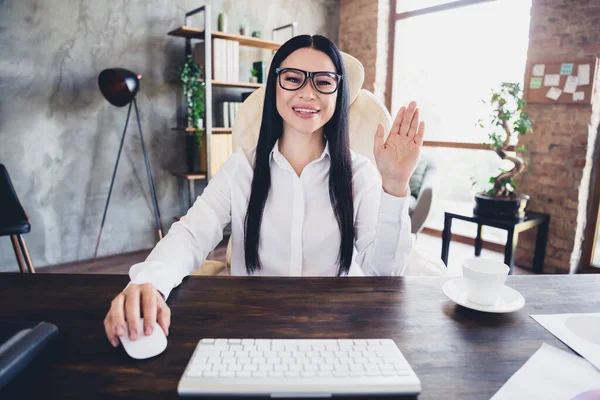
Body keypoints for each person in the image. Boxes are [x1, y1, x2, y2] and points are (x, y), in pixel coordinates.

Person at [103, 35, 425, 347]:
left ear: (337, 94)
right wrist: (149, 283)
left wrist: (395, 185)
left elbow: (383, 273)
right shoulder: (241, 168)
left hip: (337, 329)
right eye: (293, 78)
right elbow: (191, 233)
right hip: (250, 324)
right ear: (274, 87)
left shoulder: (361, 173)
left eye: (323, 82)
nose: (308, 93)